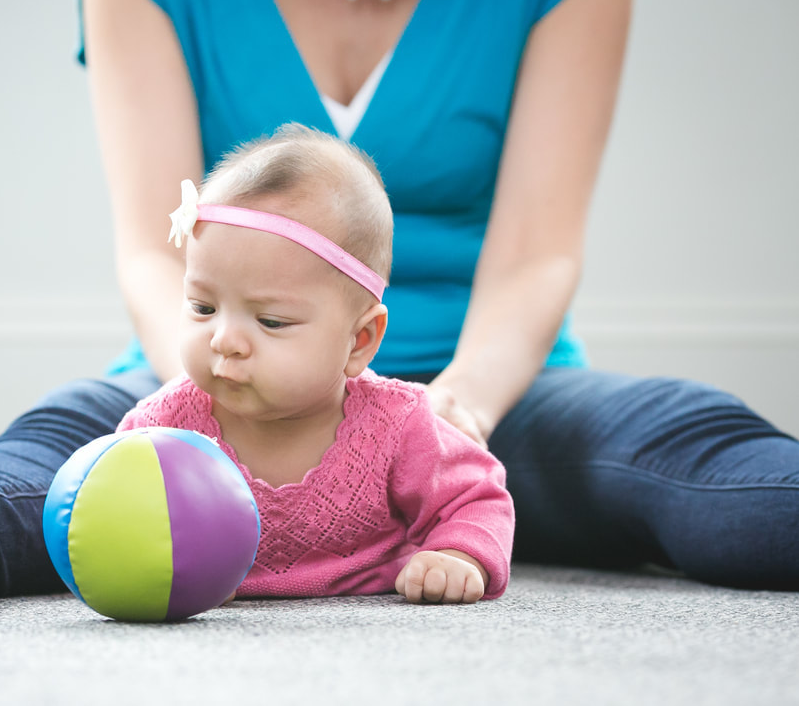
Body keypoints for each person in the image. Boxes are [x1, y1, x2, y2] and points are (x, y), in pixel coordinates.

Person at [0, 0, 795, 621]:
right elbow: (149, 248)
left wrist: (455, 405)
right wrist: (206, 388)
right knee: (43, 472)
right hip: (198, 372)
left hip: (491, 377)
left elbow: (535, 258)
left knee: (693, 458)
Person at [117, 126, 514, 603]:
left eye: (270, 320)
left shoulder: (396, 424)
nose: (224, 340)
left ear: (359, 340)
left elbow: (477, 497)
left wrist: (458, 555)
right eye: (203, 308)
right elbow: (122, 506)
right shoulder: (162, 426)